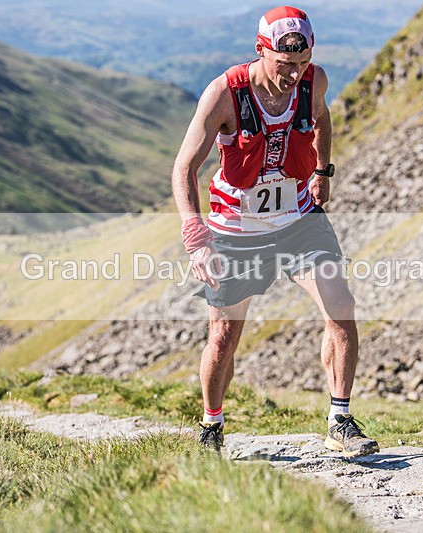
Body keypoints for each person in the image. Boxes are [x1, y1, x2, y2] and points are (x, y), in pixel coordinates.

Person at [172, 6, 378, 457]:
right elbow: (184, 168)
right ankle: (212, 425)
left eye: (302, 63)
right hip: (237, 227)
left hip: (299, 218)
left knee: (341, 306)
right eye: (285, 66)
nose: (294, 74)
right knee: (224, 336)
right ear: (260, 51)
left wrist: (322, 170)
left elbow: (321, 117)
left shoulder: (313, 81)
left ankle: (340, 420)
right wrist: (195, 237)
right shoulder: (225, 94)